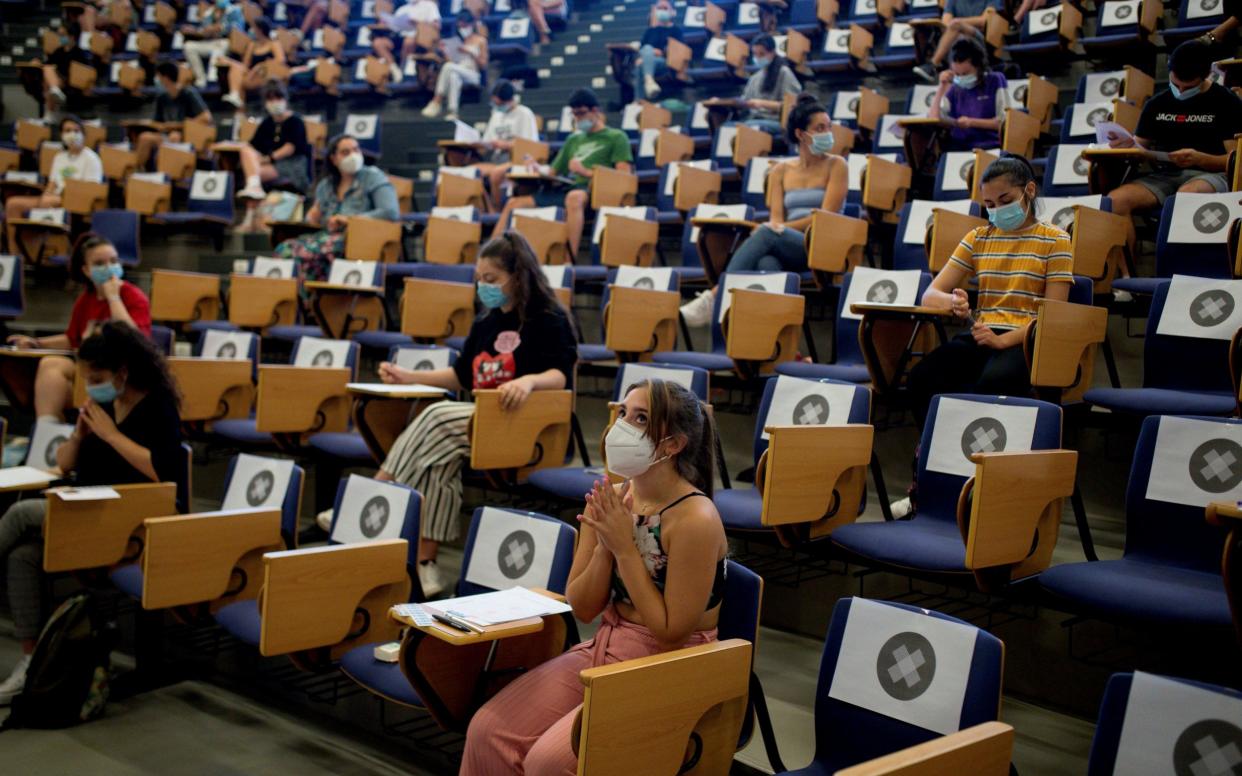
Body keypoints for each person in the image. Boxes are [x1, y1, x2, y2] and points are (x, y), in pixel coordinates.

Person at [460, 378, 727, 775]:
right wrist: (605, 544)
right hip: (606, 644)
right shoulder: (611, 499)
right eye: (623, 413)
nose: (622, 426)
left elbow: (671, 631)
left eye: (641, 418)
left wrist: (623, 547)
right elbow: (583, 607)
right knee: (487, 730)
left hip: (670, 666)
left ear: (673, 444)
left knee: (547, 763)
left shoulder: (695, 518)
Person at [370, 233, 577, 597]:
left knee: (436, 417)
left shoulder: (548, 318)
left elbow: (561, 372)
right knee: (439, 459)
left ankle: (377, 491)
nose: (484, 286)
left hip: (525, 424)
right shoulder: (486, 322)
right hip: (480, 423)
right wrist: (410, 376)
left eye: (492, 279)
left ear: (518, 276)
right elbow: (462, 376)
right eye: (480, 279)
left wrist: (528, 382)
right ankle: (426, 564)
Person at [0, 321, 183, 704]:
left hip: (128, 519)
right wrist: (80, 436)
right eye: (85, 375)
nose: (89, 383)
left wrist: (112, 435)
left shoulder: (158, 406)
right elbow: (63, 465)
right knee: (23, 557)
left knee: (18, 518)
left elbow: (166, 472)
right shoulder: (100, 403)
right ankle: (33, 662)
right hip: (85, 505)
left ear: (123, 372)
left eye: (96, 376)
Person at [907, 154, 1072, 428]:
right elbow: (930, 294)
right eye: (990, 205)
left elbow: (1053, 315)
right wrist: (953, 302)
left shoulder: (1056, 240)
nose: (998, 211)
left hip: (1027, 340)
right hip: (983, 335)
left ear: (1029, 190)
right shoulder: (978, 237)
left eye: (1006, 201)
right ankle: (931, 451)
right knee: (922, 378)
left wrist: (1003, 342)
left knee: (993, 383)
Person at [680, 94, 847, 326]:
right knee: (766, 263)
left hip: (822, 245)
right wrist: (776, 228)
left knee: (768, 233)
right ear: (801, 134)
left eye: (828, 127)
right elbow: (776, 218)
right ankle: (774, 339)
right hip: (790, 246)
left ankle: (715, 297)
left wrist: (775, 229)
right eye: (820, 128)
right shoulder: (780, 170)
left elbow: (826, 218)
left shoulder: (837, 165)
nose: (827, 133)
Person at [7, 234, 151, 421]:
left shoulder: (134, 296)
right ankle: (47, 429)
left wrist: (113, 297)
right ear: (86, 270)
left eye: (114, 261)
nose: (109, 268)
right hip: (90, 370)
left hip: (123, 372)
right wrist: (36, 342)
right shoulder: (85, 299)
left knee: (61, 387)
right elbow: (72, 339)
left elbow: (134, 341)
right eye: (100, 263)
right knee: (51, 365)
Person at [1104, 39, 1242, 216]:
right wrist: (1125, 146)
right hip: (1166, 175)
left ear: (1206, 75)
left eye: (1189, 87)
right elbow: (1138, 146)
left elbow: (1235, 160)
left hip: (1212, 175)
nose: (1181, 91)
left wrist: (1200, 159)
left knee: (1185, 198)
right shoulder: (1157, 103)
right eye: (1176, 85)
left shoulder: (1226, 101)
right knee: (1115, 200)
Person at [492, 88, 633, 260]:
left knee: (574, 197)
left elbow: (624, 177)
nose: (578, 119)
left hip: (593, 191)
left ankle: (568, 260)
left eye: (581, 113)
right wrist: (537, 168)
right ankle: (492, 255)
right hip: (567, 188)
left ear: (595, 110)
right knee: (514, 203)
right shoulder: (573, 139)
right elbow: (553, 171)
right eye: (574, 114)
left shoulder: (616, 137)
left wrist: (586, 172)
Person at [274, 134, 399, 287]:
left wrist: (350, 219)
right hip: (326, 237)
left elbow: (390, 212)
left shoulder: (373, 177)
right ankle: (300, 303)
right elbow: (315, 218)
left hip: (357, 238)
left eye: (356, 150)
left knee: (305, 254)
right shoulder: (325, 186)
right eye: (345, 152)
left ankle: (309, 302)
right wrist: (311, 218)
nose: (353, 155)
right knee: (284, 248)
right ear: (333, 159)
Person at [4, 115, 103, 253]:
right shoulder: (59, 157)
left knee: (47, 202)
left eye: (76, 130)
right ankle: (17, 253)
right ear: (62, 134)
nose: (72, 134)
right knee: (13, 204)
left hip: (76, 201)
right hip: (53, 198)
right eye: (67, 131)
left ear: (83, 133)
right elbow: (52, 183)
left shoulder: (92, 158)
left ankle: (43, 250)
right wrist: (45, 196)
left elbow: (92, 189)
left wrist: (55, 197)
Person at [236, 81, 312, 212]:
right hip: (270, 164)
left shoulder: (296, 121)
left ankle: (252, 201)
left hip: (293, 165)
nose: (275, 102)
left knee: (252, 175)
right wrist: (256, 159)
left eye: (278, 98)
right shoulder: (267, 123)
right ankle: (254, 188)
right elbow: (253, 146)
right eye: (270, 99)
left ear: (285, 99)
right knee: (245, 151)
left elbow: (290, 148)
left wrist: (267, 159)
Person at [927, 36, 1008, 151]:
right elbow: (934, 117)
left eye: (965, 74)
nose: (961, 78)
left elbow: (1004, 121)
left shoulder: (995, 80)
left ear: (979, 67)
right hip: (960, 147)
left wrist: (972, 122)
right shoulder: (954, 88)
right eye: (957, 74)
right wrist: (942, 86)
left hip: (990, 146)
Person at [474, 80, 541, 210]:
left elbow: (530, 145)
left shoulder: (524, 113)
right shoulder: (496, 114)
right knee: (472, 172)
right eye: (495, 103)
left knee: (496, 174)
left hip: (518, 160)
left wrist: (505, 145)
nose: (497, 106)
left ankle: (497, 211)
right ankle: (486, 208)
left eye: (499, 103)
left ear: (510, 100)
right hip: (497, 159)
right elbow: (487, 139)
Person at [136, 61, 213, 169]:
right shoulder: (162, 98)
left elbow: (206, 117)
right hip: (166, 134)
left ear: (165, 78)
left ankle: (166, 174)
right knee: (145, 138)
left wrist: (177, 125)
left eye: (159, 77)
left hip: (186, 134)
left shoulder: (188, 94)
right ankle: (138, 172)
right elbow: (158, 122)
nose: (157, 80)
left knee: (174, 137)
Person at [420, 12, 489, 121]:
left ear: (472, 24)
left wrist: (471, 53)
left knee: (449, 67)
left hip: (473, 74)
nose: (463, 29)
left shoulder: (481, 40)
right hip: (458, 69)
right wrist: (446, 53)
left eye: (465, 26)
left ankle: (437, 100)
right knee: (453, 76)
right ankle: (453, 111)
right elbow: (453, 62)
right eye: (460, 26)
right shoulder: (458, 41)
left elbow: (483, 65)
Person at [912, 0, 1002, 83]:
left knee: (956, 27)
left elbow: (984, 21)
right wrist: (958, 26)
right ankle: (956, 76)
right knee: (959, 35)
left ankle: (932, 65)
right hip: (956, 38)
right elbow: (945, 23)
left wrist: (958, 24)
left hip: (980, 39)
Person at [739, 34, 801, 134]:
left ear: (772, 52)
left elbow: (792, 106)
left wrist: (762, 103)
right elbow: (744, 100)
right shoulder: (755, 77)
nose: (757, 58)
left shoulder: (784, 73)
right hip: (753, 118)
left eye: (762, 54)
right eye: (755, 54)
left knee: (750, 128)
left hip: (775, 121)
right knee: (727, 127)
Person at [221, 16, 285, 108]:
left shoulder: (273, 44)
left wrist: (260, 65)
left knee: (241, 81)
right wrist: (230, 62)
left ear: (260, 29)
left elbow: (280, 60)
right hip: (251, 73)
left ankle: (236, 98)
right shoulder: (252, 45)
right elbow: (245, 65)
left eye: (254, 28)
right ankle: (234, 95)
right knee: (236, 69)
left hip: (265, 74)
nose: (252, 30)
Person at [182, 0, 248, 88]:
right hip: (210, 41)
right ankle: (200, 78)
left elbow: (239, 28)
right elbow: (204, 29)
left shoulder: (235, 10)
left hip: (227, 41)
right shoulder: (209, 12)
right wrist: (195, 31)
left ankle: (212, 80)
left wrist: (221, 27)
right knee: (188, 46)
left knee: (220, 46)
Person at [634, 0, 683, 100]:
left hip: (665, 62)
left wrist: (662, 52)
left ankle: (638, 101)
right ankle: (649, 83)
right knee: (644, 56)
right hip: (648, 61)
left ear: (672, 11)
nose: (662, 10)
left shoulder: (676, 31)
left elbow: (679, 50)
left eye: (665, 8)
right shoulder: (650, 31)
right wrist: (644, 56)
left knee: (646, 54)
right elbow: (642, 48)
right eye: (659, 8)